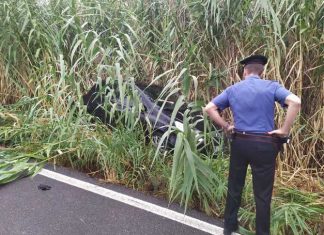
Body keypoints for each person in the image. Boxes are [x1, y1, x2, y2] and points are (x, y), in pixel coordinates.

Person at [204, 55, 301, 235]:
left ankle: (229, 227)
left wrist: (226, 126)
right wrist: (284, 130)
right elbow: (295, 102)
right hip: (264, 144)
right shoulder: (271, 86)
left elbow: (209, 107)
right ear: (261, 72)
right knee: (263, 195)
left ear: (244, 71)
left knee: (235, 185)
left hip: (240, 142)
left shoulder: (233, 89)